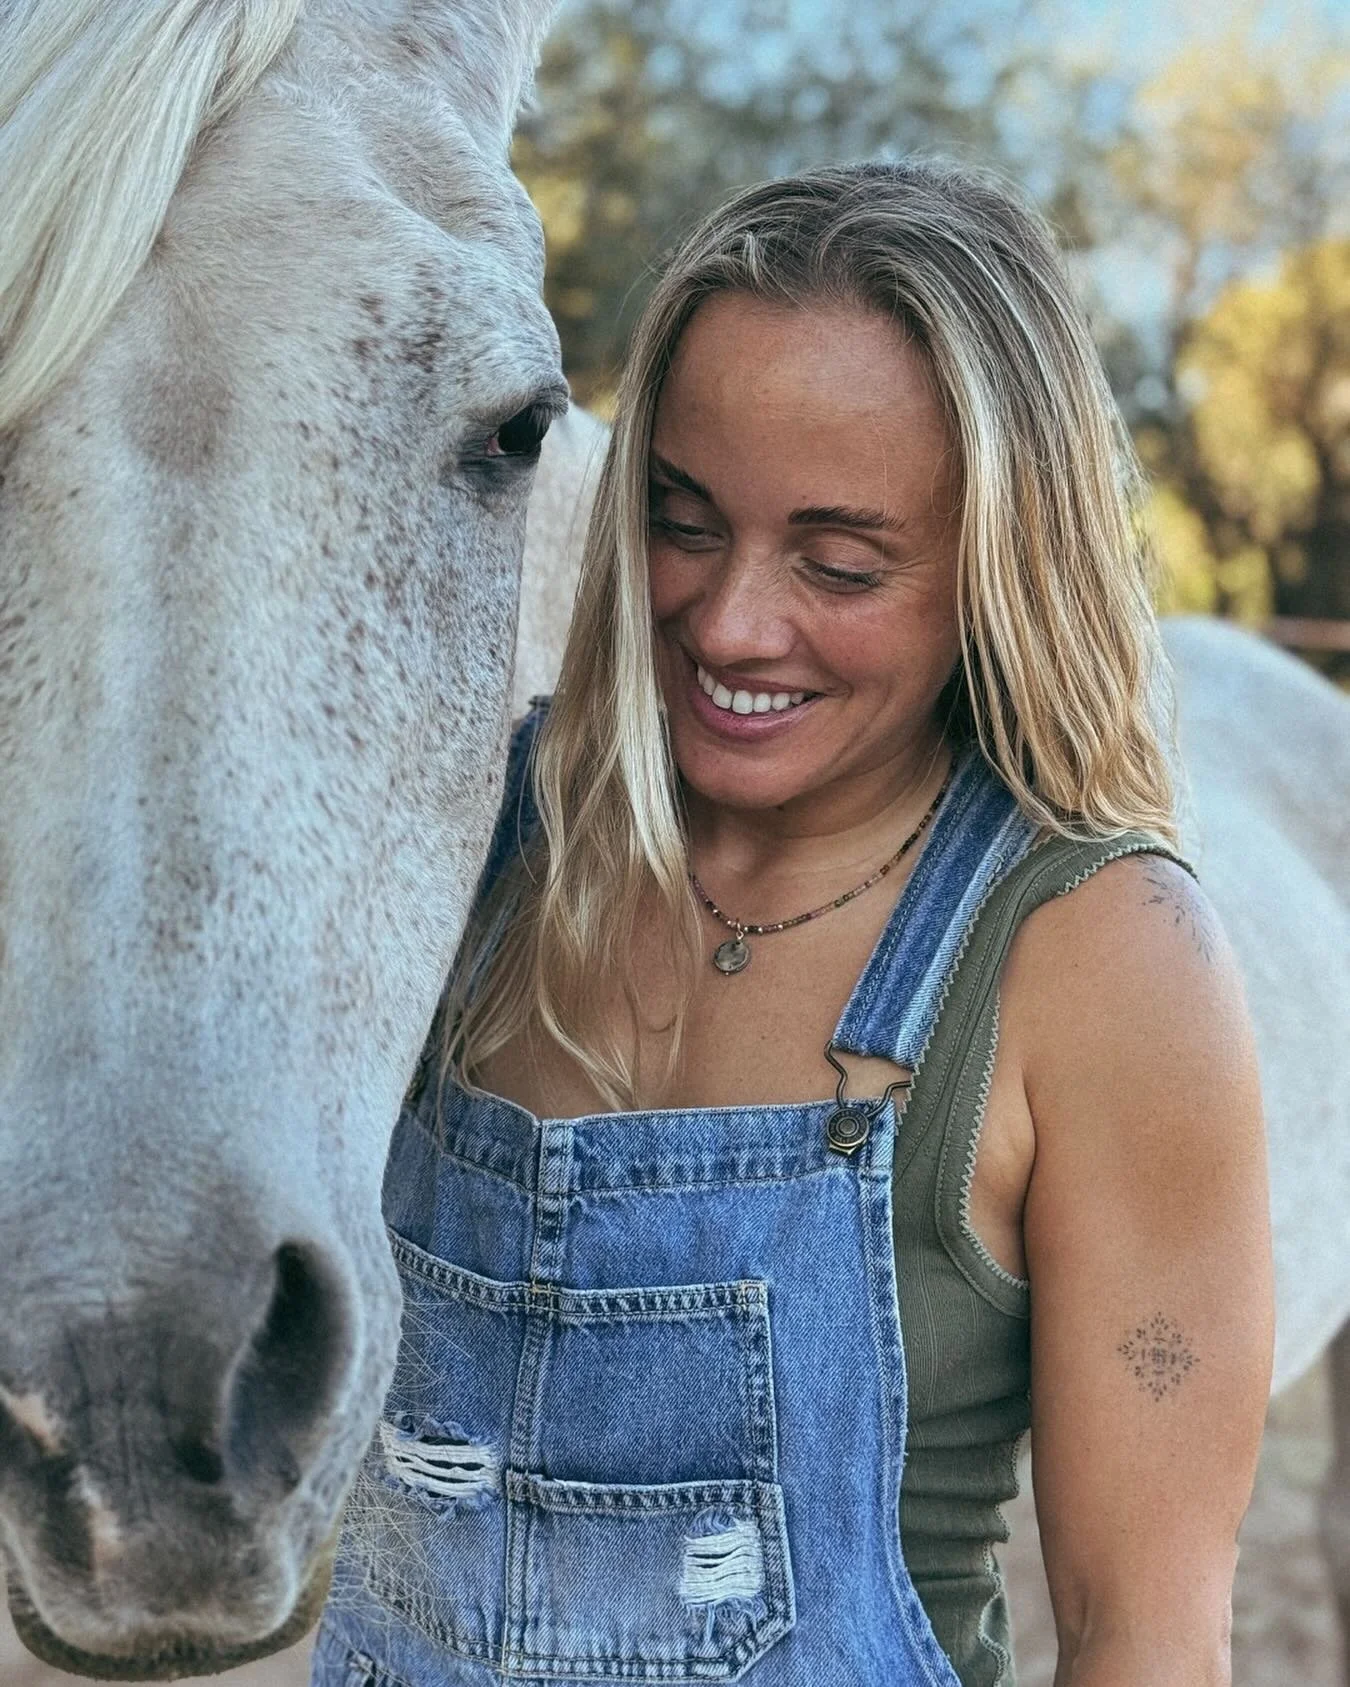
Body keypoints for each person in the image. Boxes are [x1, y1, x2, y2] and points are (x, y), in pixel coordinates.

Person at [313, 161, 1273, 1687]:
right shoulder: (471, 845)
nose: (730, 621)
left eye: (838, 563)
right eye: (682, 521)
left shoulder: (1103, 958)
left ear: (996, 564)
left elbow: (1141, 1636)